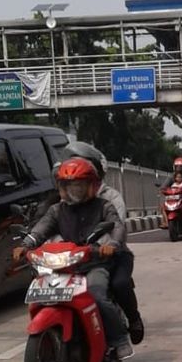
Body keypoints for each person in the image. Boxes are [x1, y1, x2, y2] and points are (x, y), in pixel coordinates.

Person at [12, 158, 133, 360]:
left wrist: (111, 245)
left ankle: (119, 339)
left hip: (94, 263)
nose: (73, 190)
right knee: (45, 295)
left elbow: (117, 226)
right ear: (61, 187)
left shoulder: (104, 206)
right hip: (66, 266)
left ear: (91, 185)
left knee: (96, 295)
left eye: (78, 185)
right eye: (68, 185)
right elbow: (40, 230)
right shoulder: (56, 210)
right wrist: (25, 246)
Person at [63, 141, 144, 345]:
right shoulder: (63, 201)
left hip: (109, 256)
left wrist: (104, 246)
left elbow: (116, 227)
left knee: (118, 284)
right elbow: (47, 222)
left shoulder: (110, 198)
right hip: (73, 258)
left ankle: (132, 321)